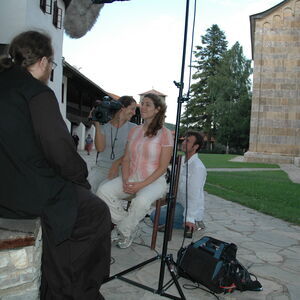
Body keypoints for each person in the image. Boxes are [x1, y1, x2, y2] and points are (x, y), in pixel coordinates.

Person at [0, 31, 111, 299]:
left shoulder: (5, 85)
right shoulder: (36, 92)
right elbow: (60, 149)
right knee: (95, 212)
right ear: (42, 61)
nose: (50, 70)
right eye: (52, 65)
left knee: (71, 206)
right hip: (24, 194)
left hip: (6, 185)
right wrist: (80, 176)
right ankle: (74, 290)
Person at [97, 93, 173, 249]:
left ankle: (123, 230)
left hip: (154, 181)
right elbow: (126, 159)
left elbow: (162, 168)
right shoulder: (135, 131)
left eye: (147, 104)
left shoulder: (165, 134)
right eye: (142, 103)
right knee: (103, 191)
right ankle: (126, 224)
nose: (142, 107)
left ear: (157, 109)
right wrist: (125, 179)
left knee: (141, 202)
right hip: (131, 176)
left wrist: (141, 185)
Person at [150, 131, 207, 233]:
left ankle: (194, 222)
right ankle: (171, 223)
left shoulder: (197, 167)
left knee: (155, 216)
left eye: (188, 141)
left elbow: (194, 195)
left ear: (195, 147)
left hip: (188, 208)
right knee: (154, 214)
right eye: (184, 140)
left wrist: (189, 218)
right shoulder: (181, 161)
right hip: (179, 203)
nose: (184, 142)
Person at [88, 96, 137, 193]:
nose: (134, 112)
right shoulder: (104, 126)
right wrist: (97, 123)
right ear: (122, 108)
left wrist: (116, 163)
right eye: (132, 109)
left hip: (121, 169)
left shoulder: (134, 129)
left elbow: (132, 153)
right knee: (88, 188)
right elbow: (100, 148)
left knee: (103, 189)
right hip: (101, 167)